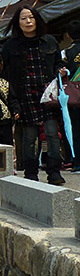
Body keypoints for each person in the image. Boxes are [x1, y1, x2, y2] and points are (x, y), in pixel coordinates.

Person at [0, 6, 67, 184]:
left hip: (48, 96)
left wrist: (61, 70)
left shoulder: (50, 41)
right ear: (17, 23)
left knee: (52, 133)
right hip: (25, 96)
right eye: (23, 19)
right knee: (29, 138)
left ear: (37, 20)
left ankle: (54, 172)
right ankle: (30, 172)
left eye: (31, 18)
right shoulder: (11, 45)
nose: (28, 22)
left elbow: (58, 62)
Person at [63, 20, 80, 173]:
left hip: (74, 97)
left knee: (74, 127)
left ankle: (77, 162)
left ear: (68, 35)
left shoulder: (66, 52)